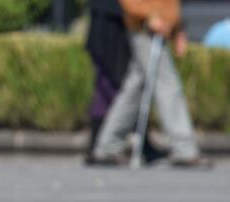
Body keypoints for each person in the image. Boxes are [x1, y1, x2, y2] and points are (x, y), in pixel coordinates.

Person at [90, 0, 212, 168]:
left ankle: (108, 146)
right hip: (146, 29)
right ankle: (184, 149)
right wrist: (148, 17)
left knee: (136, 87)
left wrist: (177, 29)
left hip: (153, 28)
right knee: (168, 85)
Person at [85, 0, 167, 165]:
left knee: (122, 83)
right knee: (113, 82)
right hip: (112, 20)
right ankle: (101, 144)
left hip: (117, 17)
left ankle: (107, 144)